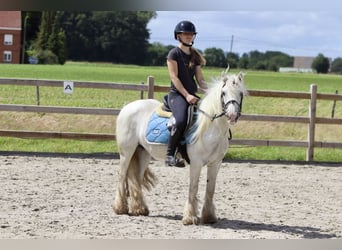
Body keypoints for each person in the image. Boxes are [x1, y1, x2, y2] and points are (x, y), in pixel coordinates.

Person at [165, 20, 208, 167]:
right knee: (182, 119)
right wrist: (186, 95)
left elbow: (200, 79)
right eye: (186, 34)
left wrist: (208, 90)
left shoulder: (194, 56)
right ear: (178, 36)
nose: (189, 36)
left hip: (192, 96)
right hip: (177, 95)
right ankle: (170, 155)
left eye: (191, 34)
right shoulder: (174, 53)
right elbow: (174, 77)